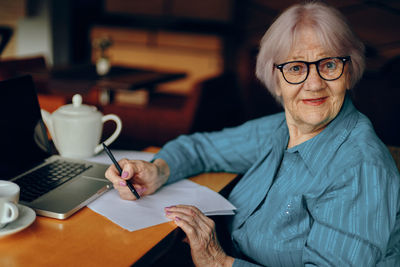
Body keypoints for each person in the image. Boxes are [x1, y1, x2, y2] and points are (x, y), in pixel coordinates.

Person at [105, 2, 400, 266]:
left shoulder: (360, 168)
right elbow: (201, 147)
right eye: (297, 68)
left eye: (329, 65)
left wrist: (218, 262)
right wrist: (157, 170)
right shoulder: (281, 129)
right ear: (276, 78)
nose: (314, 84)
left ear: (348, 73)